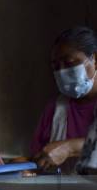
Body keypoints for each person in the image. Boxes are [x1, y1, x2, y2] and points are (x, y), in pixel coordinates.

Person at [32, 26, 97, 173]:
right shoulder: (55, 110)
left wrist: (70, 147)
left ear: (95, 60)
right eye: (56, 66)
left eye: (69, 63)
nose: (62, 72)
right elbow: (39, 157)